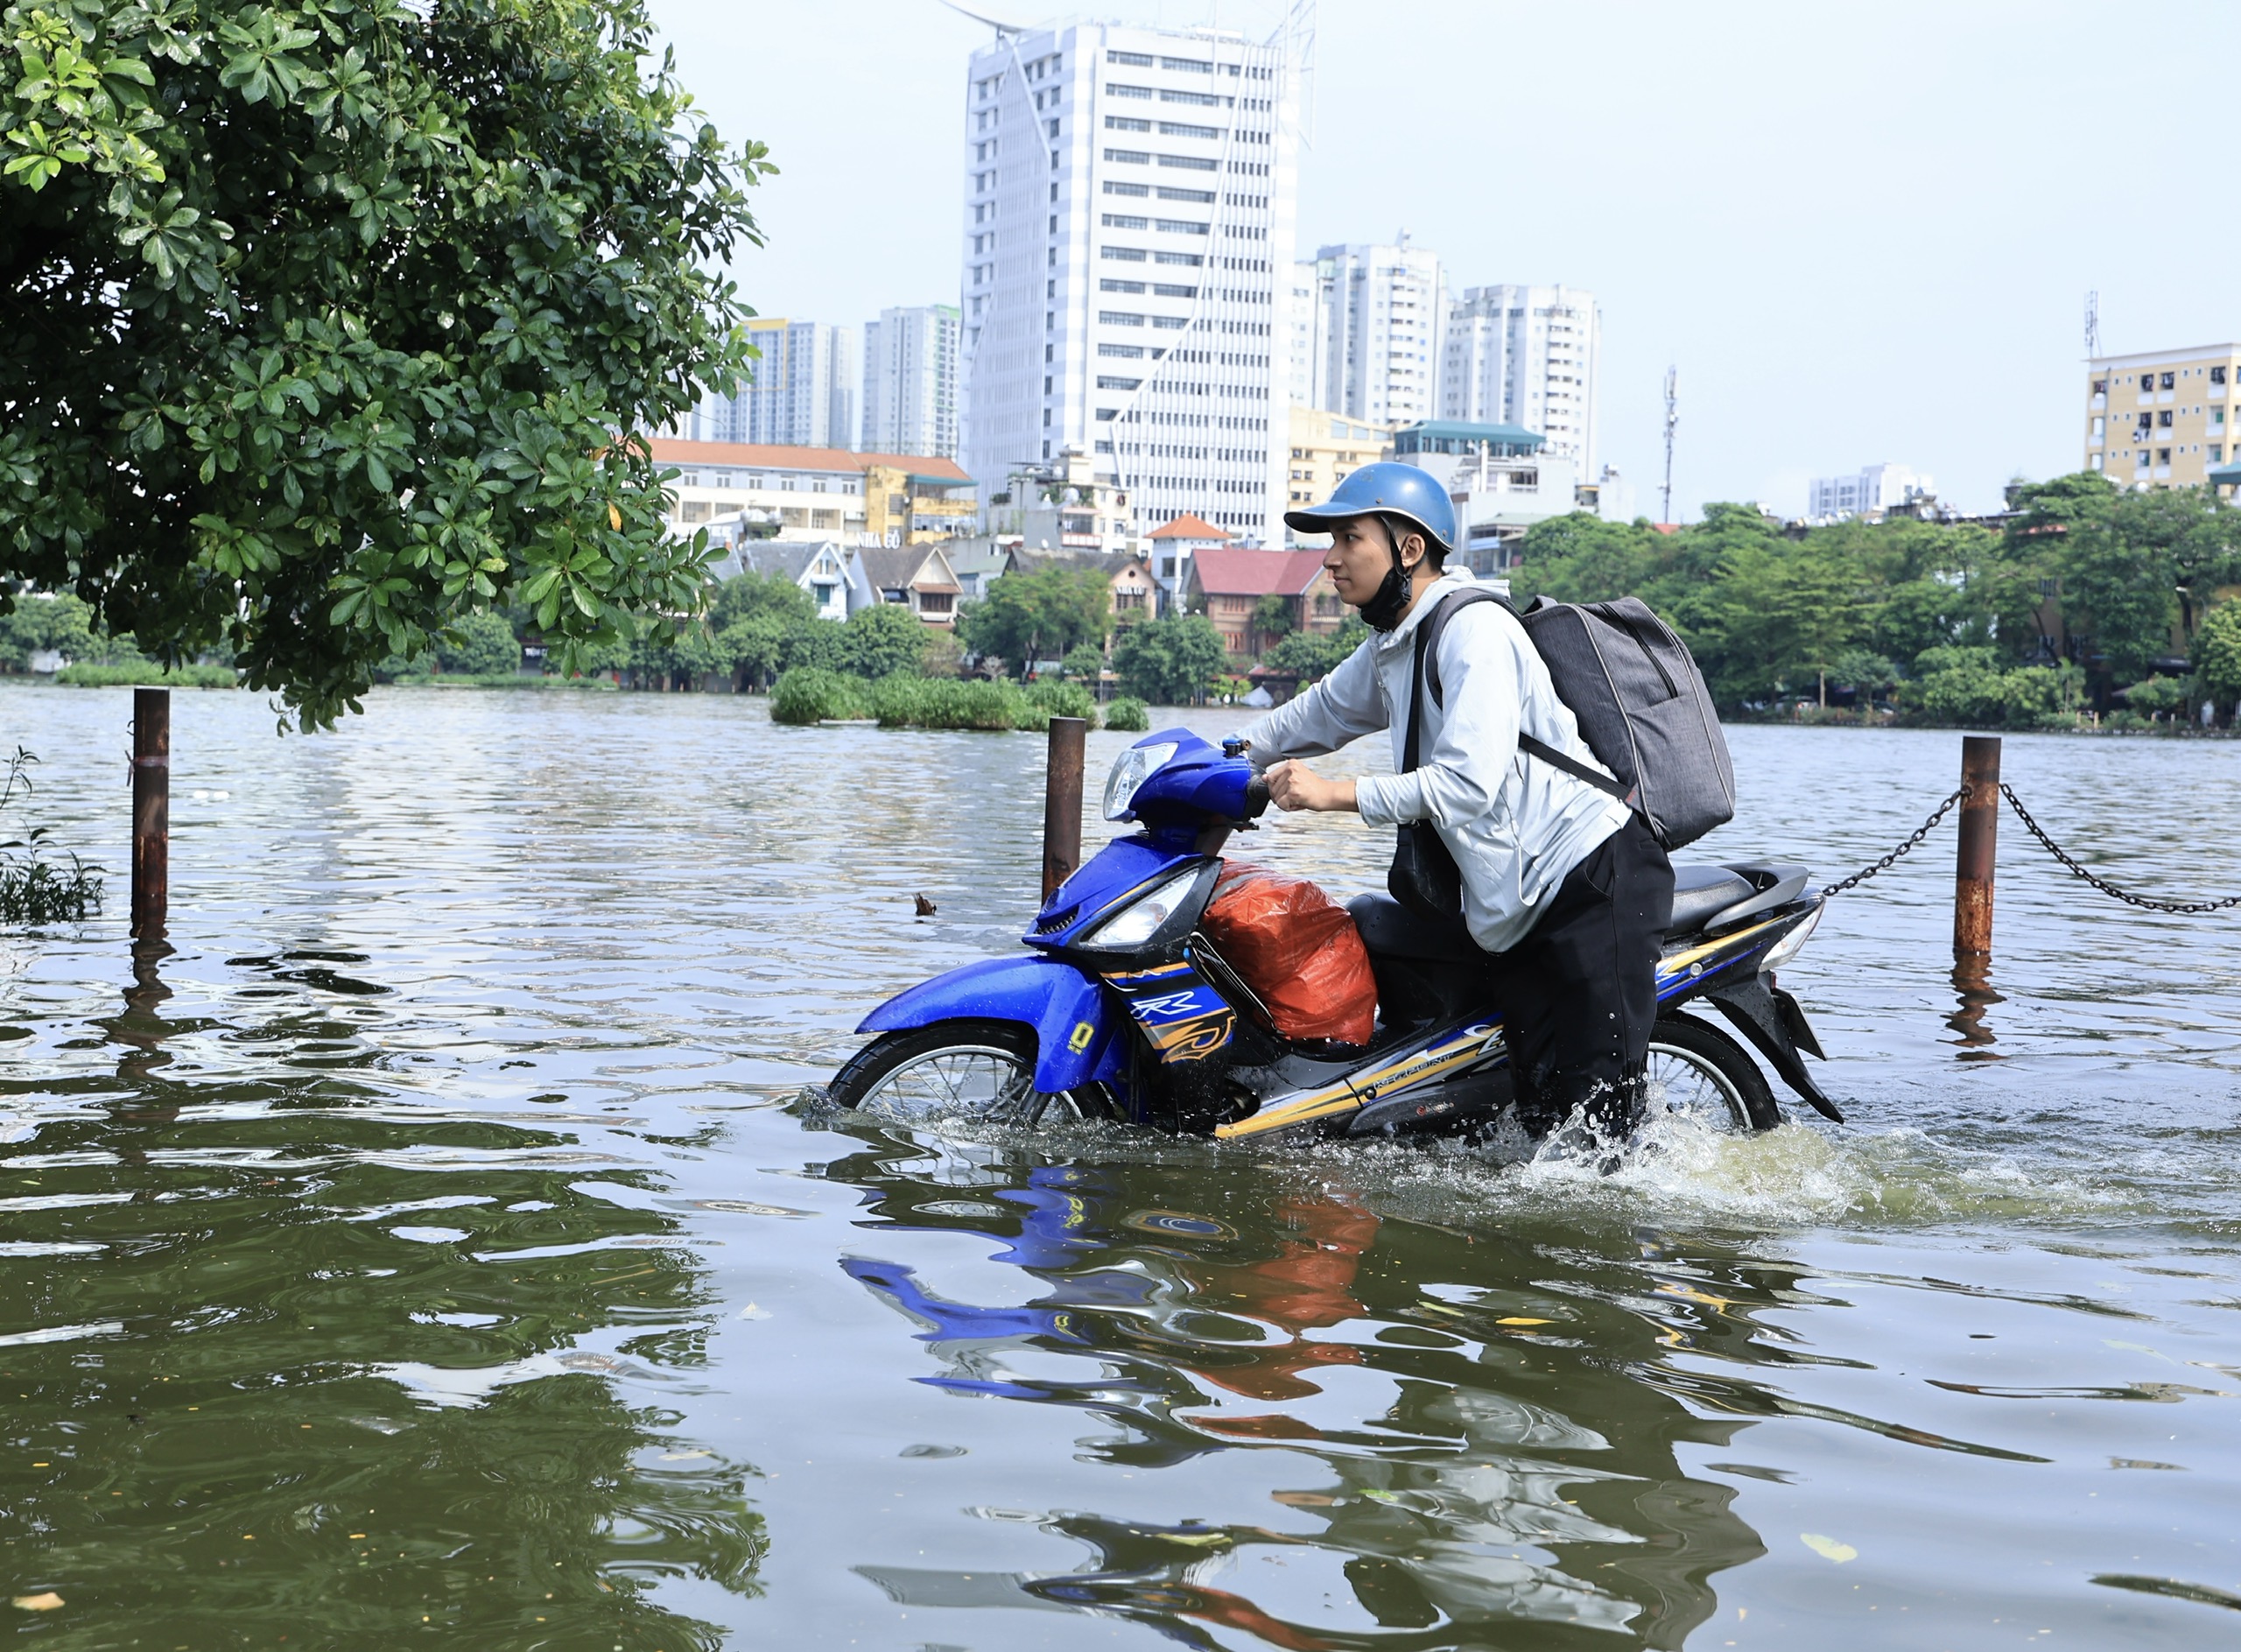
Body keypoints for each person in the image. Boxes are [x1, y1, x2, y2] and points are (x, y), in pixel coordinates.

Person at [1239, 463, 1675, 1140]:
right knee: (1544, 1119)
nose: (1330, 558)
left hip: (1591, 879)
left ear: (1409, 549)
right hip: (1520, 906)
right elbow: (1318, 712)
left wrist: (1334, 794)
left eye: (1349, 538)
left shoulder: (1474, 633)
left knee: (1601, 1122)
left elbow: (1469, 784)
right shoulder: (1396, 642)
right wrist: (1229, 756)